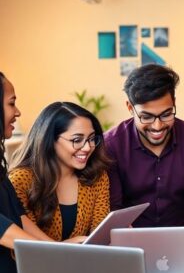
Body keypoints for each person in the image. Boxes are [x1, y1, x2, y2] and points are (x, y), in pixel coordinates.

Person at [104, 64, 184, 227]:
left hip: (182, 241)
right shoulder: (111, 146)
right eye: (146, 117)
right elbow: (114, 209)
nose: (157, 126)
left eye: (166, 114)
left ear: (174, 103)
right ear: (130, 108)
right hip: (130, 242)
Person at [9, 102, 110, 241]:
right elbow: (28, 243)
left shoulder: (96, 176)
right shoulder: (21, 180)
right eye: (77, 140)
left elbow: (99, 235)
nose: (87, 147)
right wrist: (65, 248)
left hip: (86, 260)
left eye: (91, 139)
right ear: (50, 140)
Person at [0, 72, 55, 273]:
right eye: (11, 103)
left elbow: (18, 216)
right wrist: (60, 254)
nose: (17, 112)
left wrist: (59, 248)